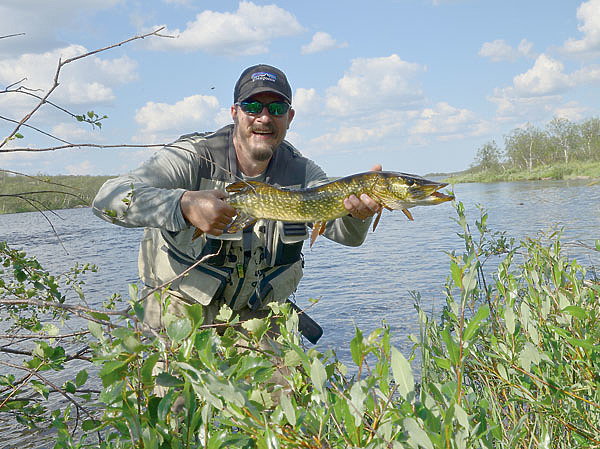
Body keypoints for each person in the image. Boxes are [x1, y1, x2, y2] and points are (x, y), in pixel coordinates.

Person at [92, 64, 382, 336]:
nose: (264, 118)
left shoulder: (303, 172)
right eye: (252, 106)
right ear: (234, 112)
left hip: (258, 316)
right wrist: (183, 205)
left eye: (277, 108)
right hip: (180, 310)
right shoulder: (193, 157)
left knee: (284, 389)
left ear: (289, 118)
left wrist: (359, 215)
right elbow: (108, 198)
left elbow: (346, 235)